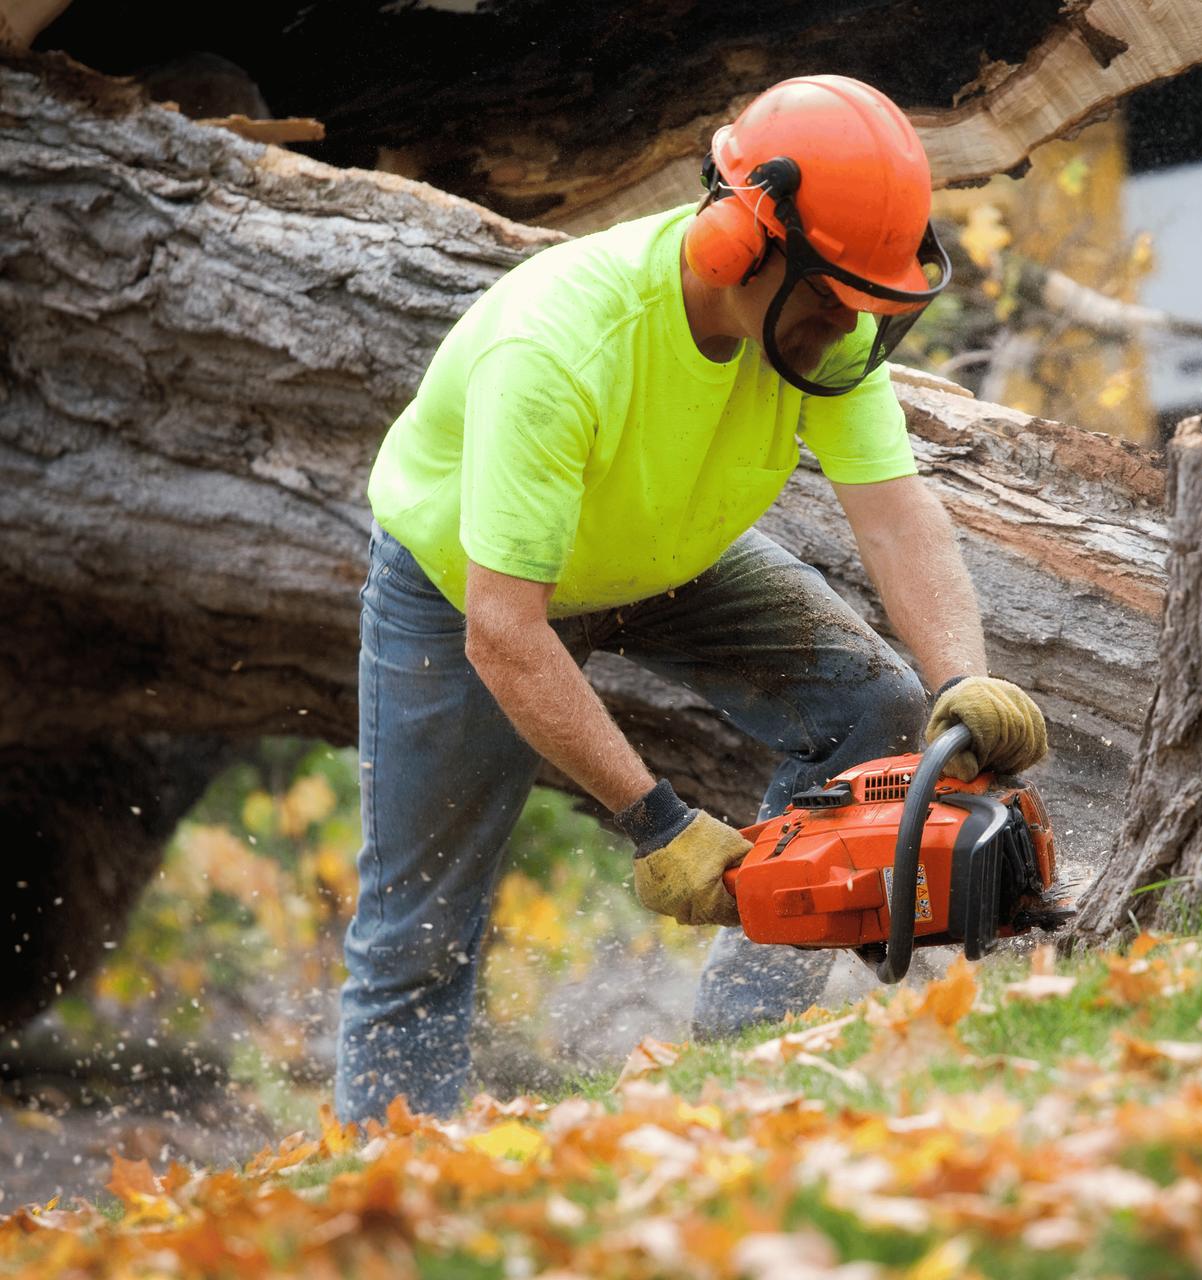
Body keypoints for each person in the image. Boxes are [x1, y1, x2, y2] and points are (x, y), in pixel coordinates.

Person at [334, 74, 1049, 1123]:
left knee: (875, 709)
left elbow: (897, 515)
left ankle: (741, 1068)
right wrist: (657, 823)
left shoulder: (827, 326)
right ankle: (384, 1196)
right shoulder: (559, 351)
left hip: (665, 558)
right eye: (829, 299)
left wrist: (965, 682)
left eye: (865, 303)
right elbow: (505, 632)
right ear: (736, 244)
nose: (847, 328)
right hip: (467, 591)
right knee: (417, 936)